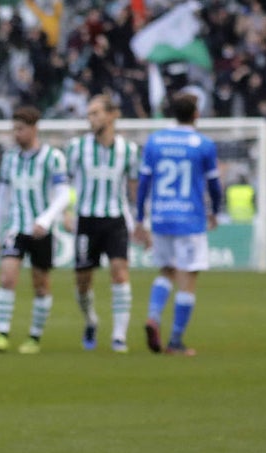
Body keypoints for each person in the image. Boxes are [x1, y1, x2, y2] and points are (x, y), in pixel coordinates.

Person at [135, 92, 221, 357]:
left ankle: (153, 316)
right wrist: (214, 212)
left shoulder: (156, 140)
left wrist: (140, 218)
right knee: (187, 280)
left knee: (165, 271)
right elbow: (214, 186)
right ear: (196, 114)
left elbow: (144, 183)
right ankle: (175, 341)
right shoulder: (203, 144)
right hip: (190, 219)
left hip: (161, 216)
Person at [0, 106, 69, 354]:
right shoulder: (10, 159)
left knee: (41, 284)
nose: (16, 134)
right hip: (16, 227)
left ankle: (34, 336)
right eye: (14, 129)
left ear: (34, 129)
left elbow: (63, 194)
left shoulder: (53, 158)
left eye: (20, 129)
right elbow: (2, 197)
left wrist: (46, 219)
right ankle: (1, 333)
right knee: (7, 277)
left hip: (41, 230)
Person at [65, 94, 145, 354]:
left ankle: (119, 335)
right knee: (82, 281)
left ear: (112, 115)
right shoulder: (77, 148)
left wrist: (141, 222)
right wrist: (66, 211)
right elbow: (64, 183)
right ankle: (90, 320)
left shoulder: (129, 150)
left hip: (115, 219)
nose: (91, 119)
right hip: (86, 220)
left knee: (120, 272)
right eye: (89, 114)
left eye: (96, 113)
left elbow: (134, 189)